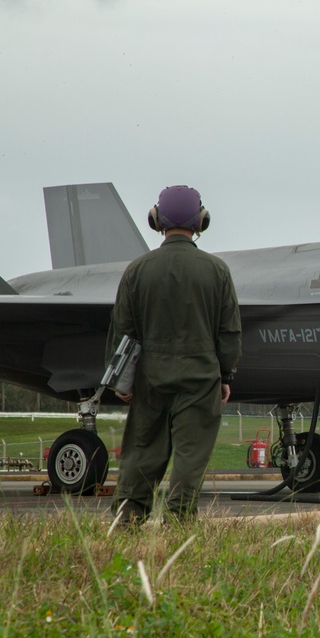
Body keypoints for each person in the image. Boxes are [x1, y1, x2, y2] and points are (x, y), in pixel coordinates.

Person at [107, 185, 242, 524]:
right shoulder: (217, 270)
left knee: (143, 447)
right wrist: (225, 376)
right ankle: (179, 517)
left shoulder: (138, 269)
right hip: (201, 376)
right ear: (201, 221)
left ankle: (128, 515)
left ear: (156, 221)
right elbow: (229, 332)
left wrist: (123, 381)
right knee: (191, 452)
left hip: (150, 376)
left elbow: (123, 330)